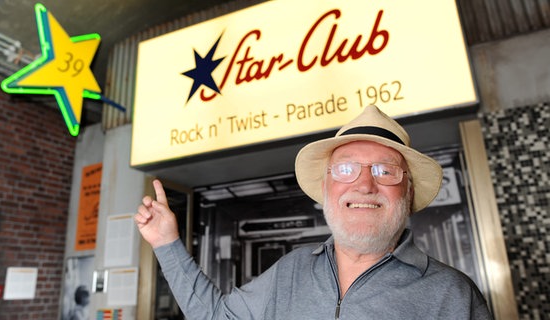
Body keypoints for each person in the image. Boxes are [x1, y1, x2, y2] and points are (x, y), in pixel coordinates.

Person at [135, 105, 493, 319]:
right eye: (345, 169)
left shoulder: (453, 296)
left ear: (409, 191)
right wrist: (167, 243)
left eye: (385, 171)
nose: (365, 185)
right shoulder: (290, 271)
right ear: (326, 189)